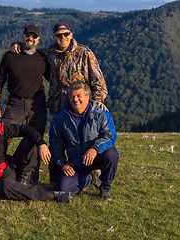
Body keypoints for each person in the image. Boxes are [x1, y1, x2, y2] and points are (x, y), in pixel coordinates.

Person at [12, 22, 108, 190]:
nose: (62, 37)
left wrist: (98, 99)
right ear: (54, 37)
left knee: (84, 141)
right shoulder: (48, 52)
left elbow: (98, 80)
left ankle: (92, 173)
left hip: (81, 107)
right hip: (58, 108)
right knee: (56, 142)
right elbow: (32, 52)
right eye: (59, 35)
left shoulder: (84, 53)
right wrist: (21, 45)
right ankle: (56, 180)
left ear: (71, 35)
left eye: (66, 34)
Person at [0, 25, 50, 186]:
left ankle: (28, 175)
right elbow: (0, 79)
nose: (30, 38)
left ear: (38, 39)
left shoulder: (43, 58)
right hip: (14, 102)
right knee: (2, 138)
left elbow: (53, 79)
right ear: (22, 37)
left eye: (33, 36)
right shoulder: (10, 56)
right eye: (27, 35)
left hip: (36, 104)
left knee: (35, 138)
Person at [49, 81, 119, 201]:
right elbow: (55, 142)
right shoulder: (62, 116)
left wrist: (95, 149)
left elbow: (110, 136)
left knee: (112, 154)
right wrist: (62, 163)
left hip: (97, 157)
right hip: (77, 162)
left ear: (87, 97)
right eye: (72, 96)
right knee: (63, 189)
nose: (75, 99)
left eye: (79, 95)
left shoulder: (101, 112)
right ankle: (90, 178)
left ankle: (105, 188)